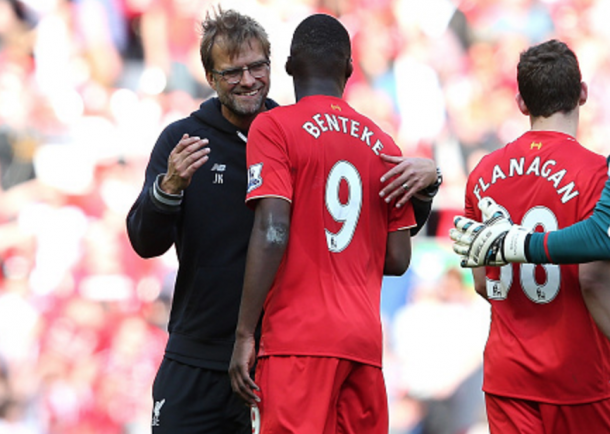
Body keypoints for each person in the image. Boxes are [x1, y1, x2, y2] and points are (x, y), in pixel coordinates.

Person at [126, 7, 440, 434]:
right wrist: (169, 187)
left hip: (278, 358)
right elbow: (145, 241)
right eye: (232, 71)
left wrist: (424, 191)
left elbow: (375, 239)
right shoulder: (183, 141)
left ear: (278, 66)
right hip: (200, 354)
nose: (249, 80)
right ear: (210, 76)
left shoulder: (292, 132)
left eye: (257, 66)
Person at [228, 13, 417, 434]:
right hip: (364, 343)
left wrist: (244, 333)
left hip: (299, 339)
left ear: (290, 65)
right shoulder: (384, 143)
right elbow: (399, 257)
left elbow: (272, 228)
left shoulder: (275, 126)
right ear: (349, 70)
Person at [450, 39, 610, 433]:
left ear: (521, 103)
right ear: (583, 93)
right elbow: (592, 281)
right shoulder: (597, 176)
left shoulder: (483, 173)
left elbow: (483, 284)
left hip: (508, 377)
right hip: (581, 378)